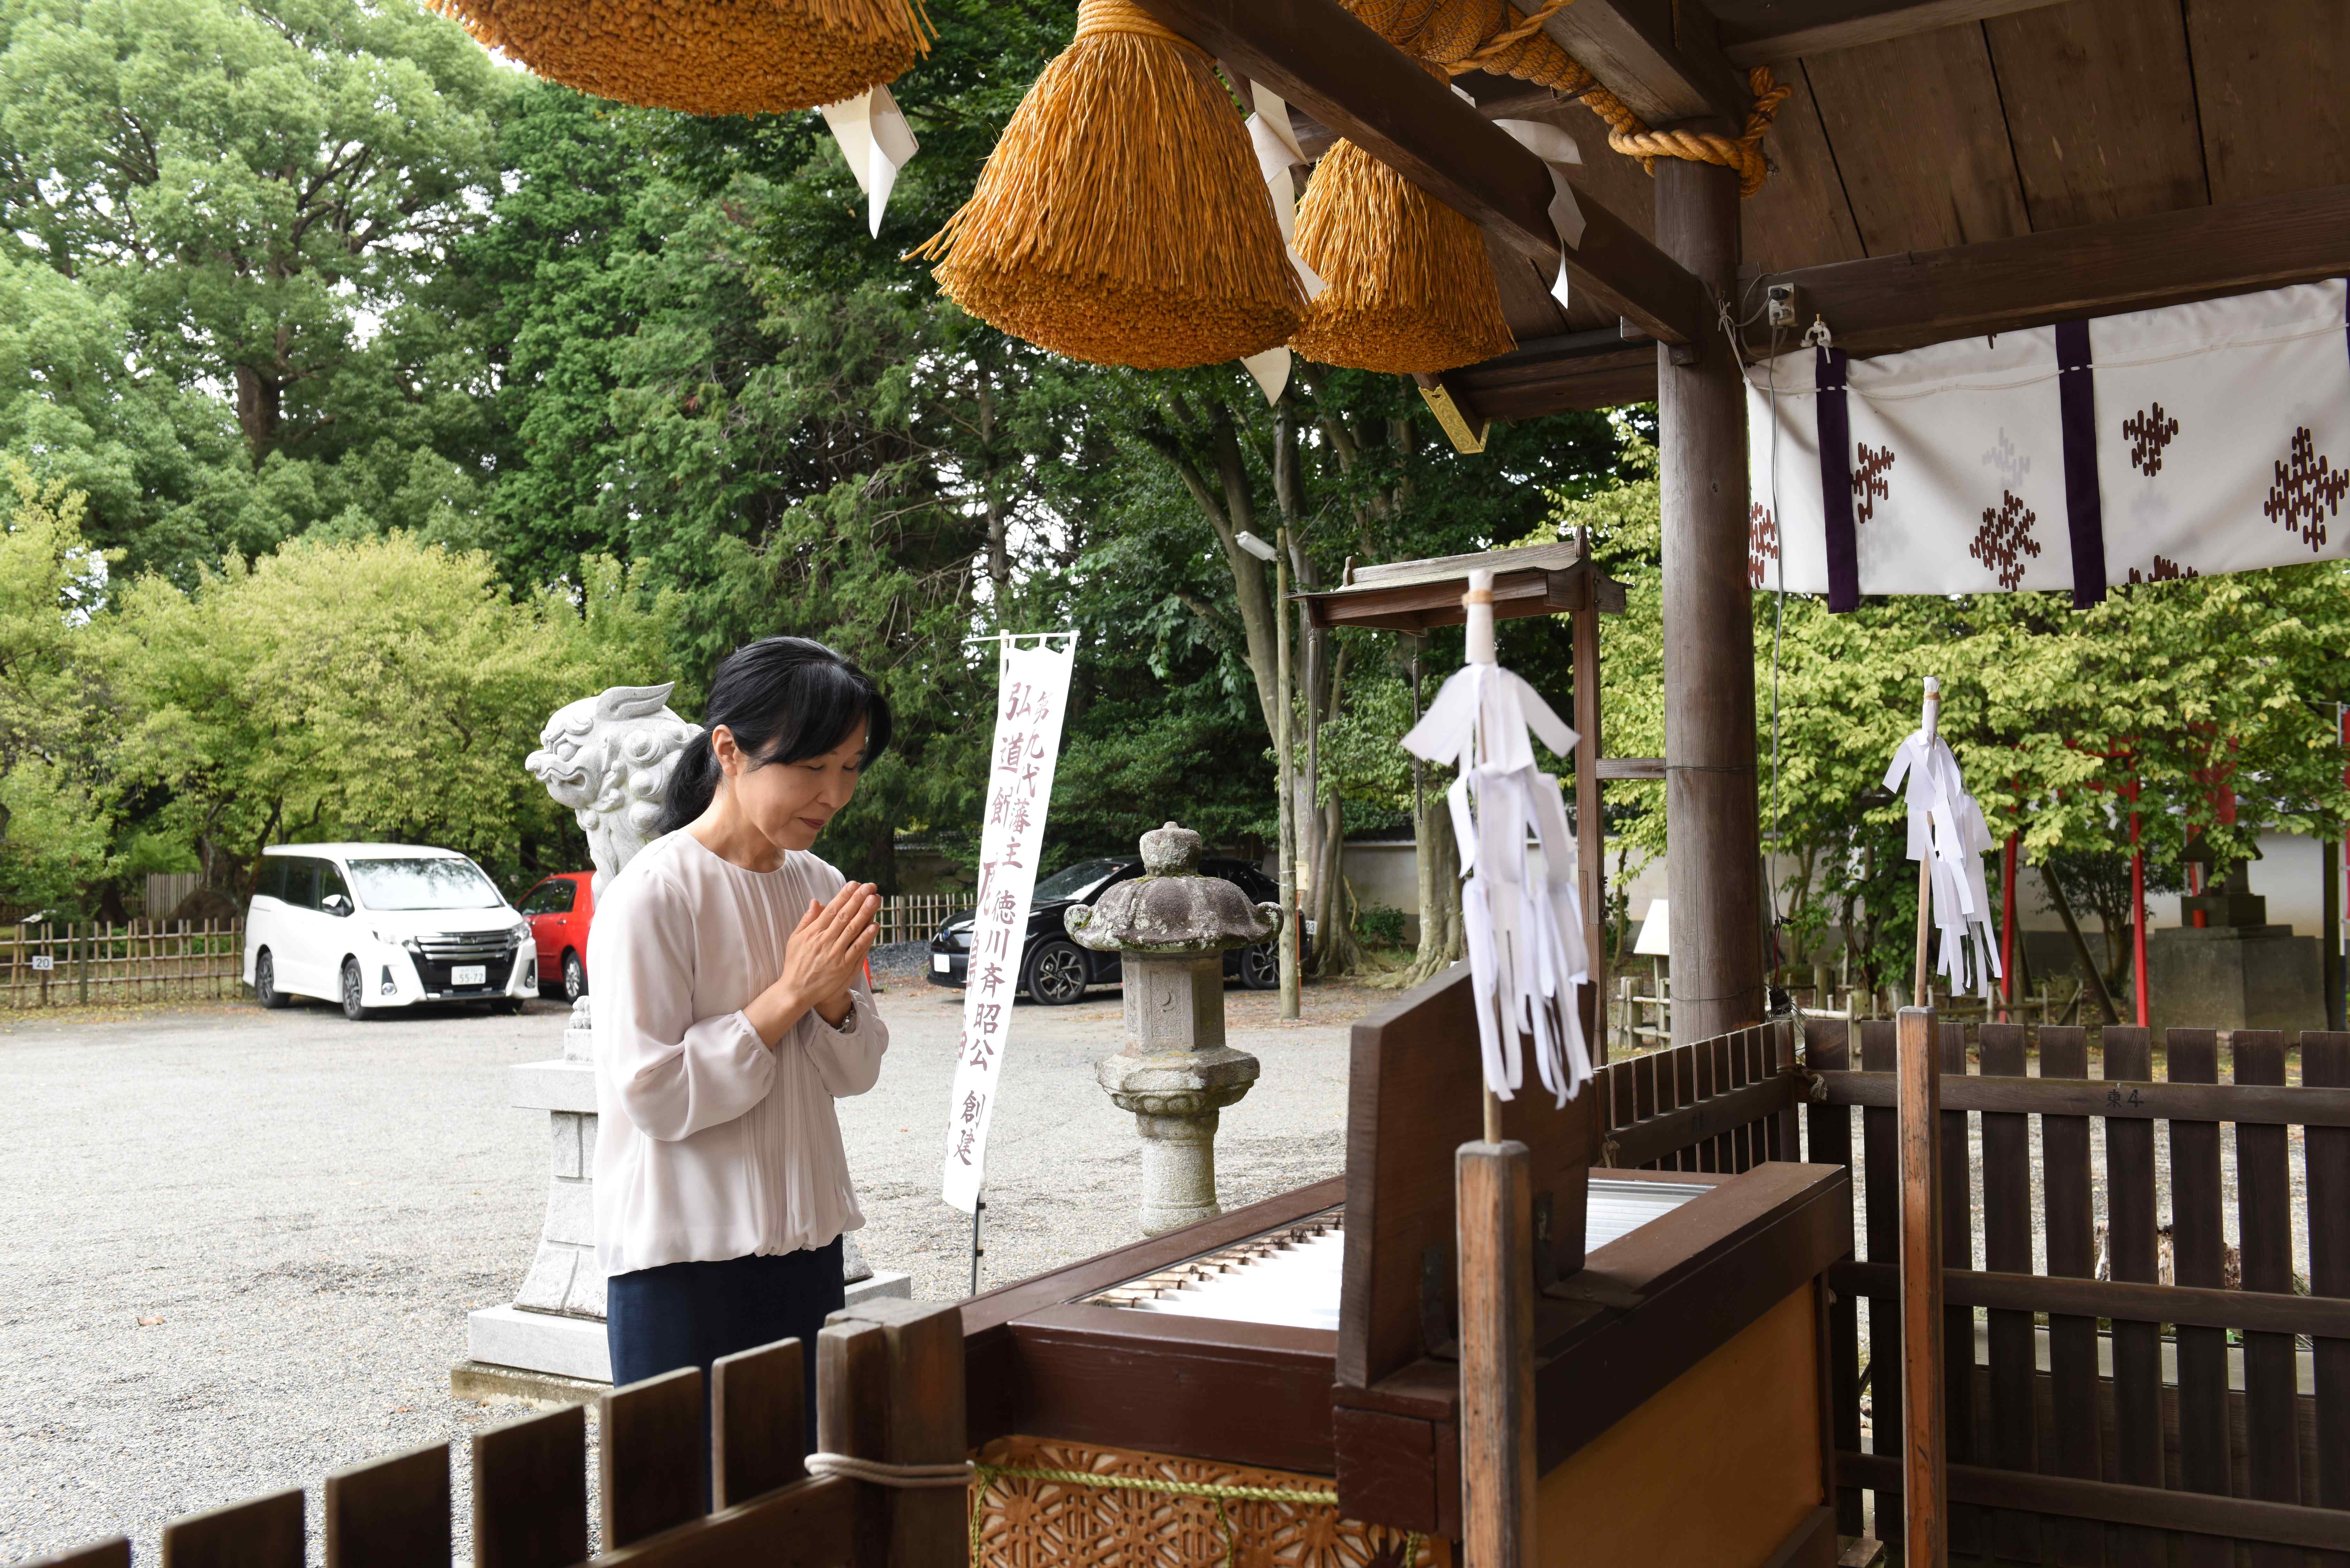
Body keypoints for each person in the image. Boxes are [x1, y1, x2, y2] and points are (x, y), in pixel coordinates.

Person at [588, 636, 891, 1478]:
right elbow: (649, 1092)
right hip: (682, 1273)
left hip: (806, 1257)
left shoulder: (822, 885)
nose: (834, 794)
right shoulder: (655, 890)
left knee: (796, 1507)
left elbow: (859, 1072)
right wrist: (789, 996)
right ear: (728, 748)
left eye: (851, 767)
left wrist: (832, 999)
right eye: (811, 767)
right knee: (688, 1521)